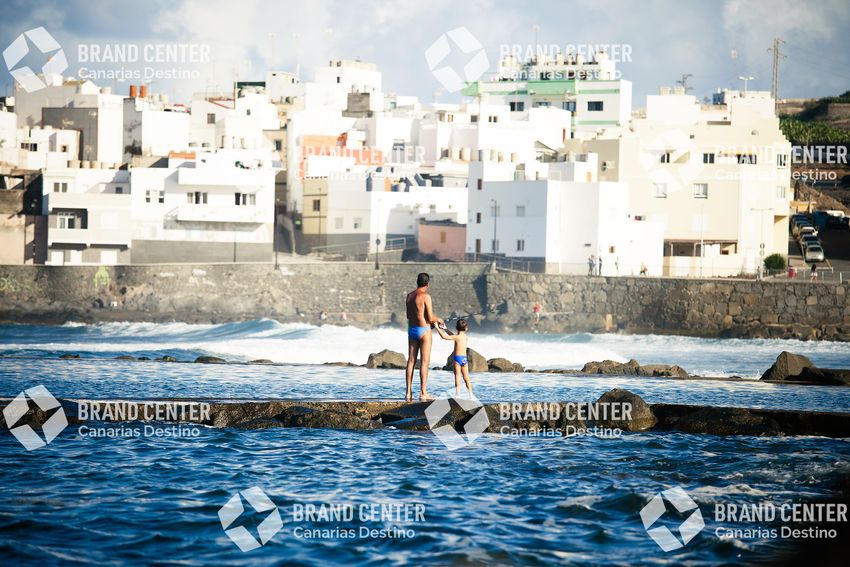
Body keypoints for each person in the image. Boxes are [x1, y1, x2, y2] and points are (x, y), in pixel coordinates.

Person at [405, 273, 443, 402]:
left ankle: (408, 392)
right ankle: (423, 393)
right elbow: (430, 317)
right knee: (424, 362)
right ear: (427, 284)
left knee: (411, 361)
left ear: (417, 282)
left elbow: (408, 316)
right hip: (424, 331)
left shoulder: (409, 296)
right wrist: (439, 320)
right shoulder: (426, 296)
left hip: (412, 330)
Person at [434, 319, 473, 399]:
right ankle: (471, 395)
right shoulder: (465, 337)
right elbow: (453, 336)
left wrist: (437, 327)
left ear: (456, 328)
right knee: (466, 378)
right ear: (466, 329)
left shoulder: (457, 337)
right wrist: (445, 329)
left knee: (457, 377)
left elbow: (444, 336)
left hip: (457, 358)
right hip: (464, 359)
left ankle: (458, 395)